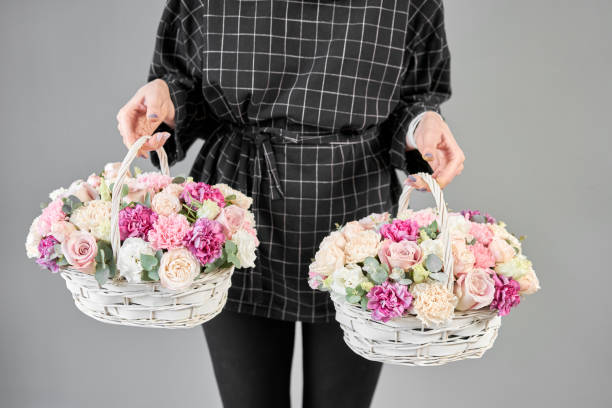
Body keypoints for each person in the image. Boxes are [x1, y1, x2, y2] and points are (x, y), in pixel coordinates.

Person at [117, 1, 464, 407]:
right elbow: (183, 82)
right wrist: (165, 99)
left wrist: (422, 124)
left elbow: (415, 96)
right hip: (233, 216)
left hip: (356, 222)